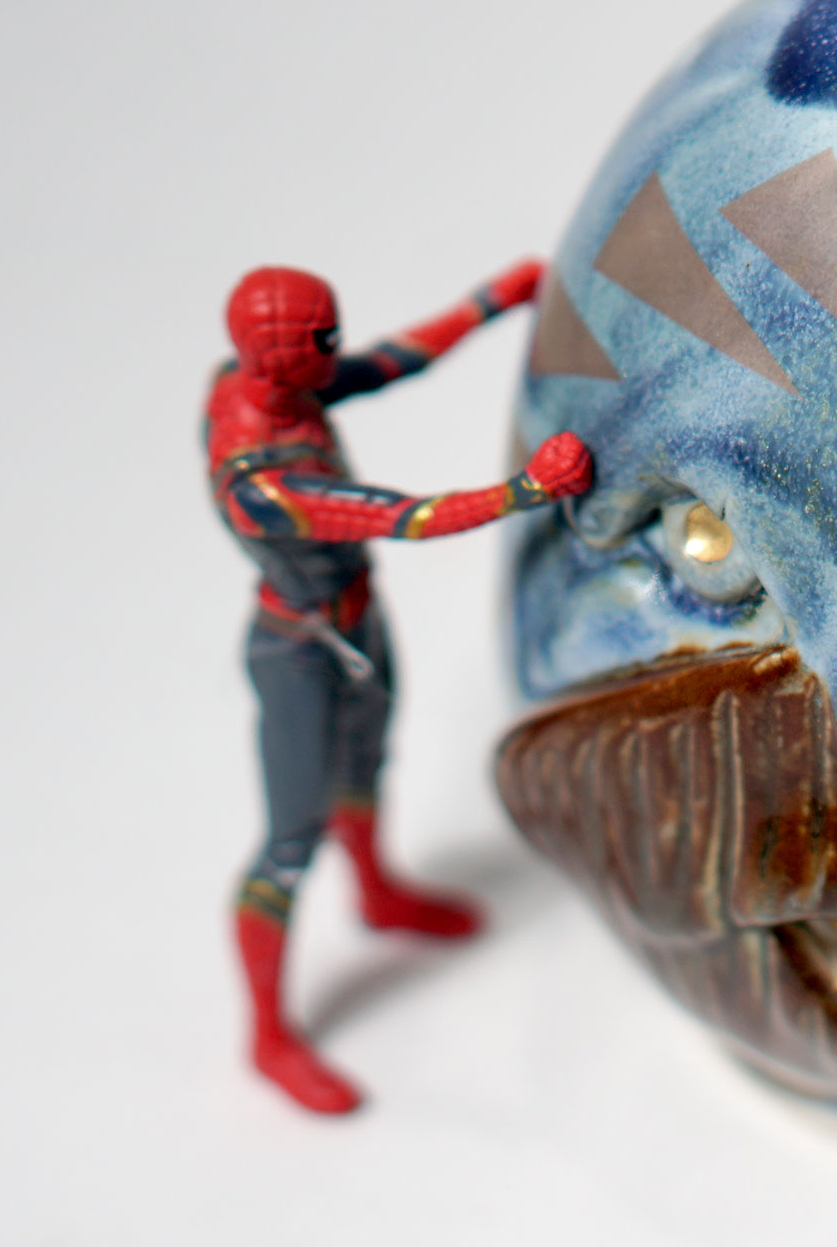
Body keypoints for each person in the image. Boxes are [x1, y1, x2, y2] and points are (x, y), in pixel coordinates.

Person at [205, 261, 592, 1113]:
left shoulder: (273, 384)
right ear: (280, 355)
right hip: (298, 650)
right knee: (289, 843)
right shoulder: (261, 482)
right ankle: (268, 1035)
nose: (334, 348)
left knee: (367, 764)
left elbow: (391, 362)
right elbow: (397, 514)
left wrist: (488, 302)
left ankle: (377, 891)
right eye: (321, 338)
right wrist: (527, 490)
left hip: (353, 621)